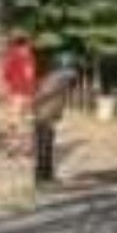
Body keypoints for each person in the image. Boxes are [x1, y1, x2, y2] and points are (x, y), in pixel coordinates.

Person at [31, 53, 79, 185]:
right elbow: (72, 75)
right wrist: (37, 104)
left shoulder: (53, 76)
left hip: (44, 114)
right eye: (70, 64)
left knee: (44, 145)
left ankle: (44, 176)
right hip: (46, 114)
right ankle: (43, 177)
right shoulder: (61, 75)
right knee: (45, 145)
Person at [1, 33, 36, 158]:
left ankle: (13, 147)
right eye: (28, 44)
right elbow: (31, 75)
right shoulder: (29, 57)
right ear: (24, 44)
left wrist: (9, 88)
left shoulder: (12, 56)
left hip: (16, 94)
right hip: (27, 94)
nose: (30, 46)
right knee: (26, 121)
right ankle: (27, 148)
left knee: (14, 122)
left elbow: (6, 74)